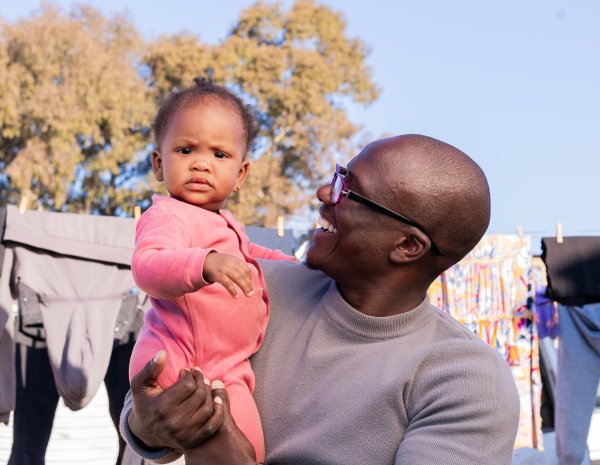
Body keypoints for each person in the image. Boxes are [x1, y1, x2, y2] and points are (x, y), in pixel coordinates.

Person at [120, 134, 521, 465]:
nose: (325, 192)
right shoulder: (256, 287)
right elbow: (162, 380)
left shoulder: (464, 379)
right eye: (339, 176)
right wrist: (145, 426)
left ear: (407, 246)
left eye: (351, 190)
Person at [127, 77, 295, 464]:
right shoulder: (168, 215)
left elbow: (253, 255)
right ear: (158, 162)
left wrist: (297, 267)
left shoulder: (224, 224)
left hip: (228, 367)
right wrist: (202, 264)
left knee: (248, 451)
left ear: (240, 174)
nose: (201, 163)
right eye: (186, 150)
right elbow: (147, 265)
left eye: (220, 155)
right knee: (202, 440)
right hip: (177, 358)